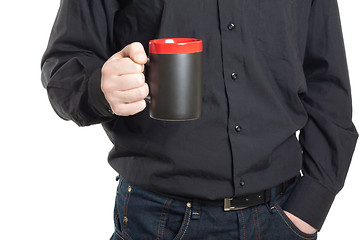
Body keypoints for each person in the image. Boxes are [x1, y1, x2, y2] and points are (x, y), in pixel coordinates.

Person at [41, 0, 357, 239]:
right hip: (155, 221)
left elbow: (326, 78)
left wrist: (313, 201)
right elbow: (65, 62)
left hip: (281, 216)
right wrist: (99, 87)